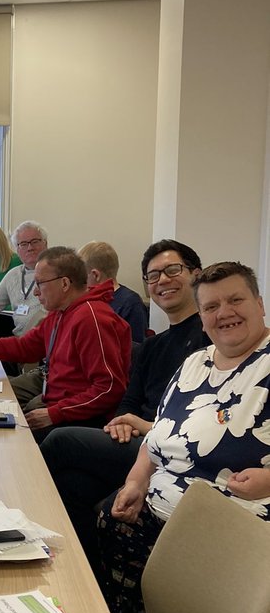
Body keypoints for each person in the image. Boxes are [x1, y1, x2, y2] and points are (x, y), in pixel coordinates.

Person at [96, 260, 270, 613]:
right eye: (211, 307)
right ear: (203, 319)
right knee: (111, 513)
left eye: (235, 300)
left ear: (259, 304)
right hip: (162, 506)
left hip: (230, 518)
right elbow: (158, 435)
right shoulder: (196, 363)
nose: (223, 312)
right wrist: (136, 482)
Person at [40, 240, 207, 567]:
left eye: (173, 271)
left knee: (60, 439)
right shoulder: (154, 345)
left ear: (196, 275)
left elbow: (198, 418)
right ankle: (86, 576)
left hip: (164, 447)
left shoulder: (210, 339)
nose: (162, 281)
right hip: (133, 441)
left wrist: (143, 426)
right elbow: (129, 398)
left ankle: (18, 520)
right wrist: (119, 422)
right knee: (72, 485)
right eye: (153, 276)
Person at [0, 247, 131, 442]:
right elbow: (24, 348)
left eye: (40, 284)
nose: (35, 292)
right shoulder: (60, 313)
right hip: (57, 404)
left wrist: (54, 413)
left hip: (81, 419)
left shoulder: (91, 318)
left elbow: (109, 388)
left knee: (2, 437)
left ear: (65, 283)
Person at [77, 240, 148, 344]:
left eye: (82, 276)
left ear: (95, 275)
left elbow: (135, 349)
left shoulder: (131, 303)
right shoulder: (86, 301)